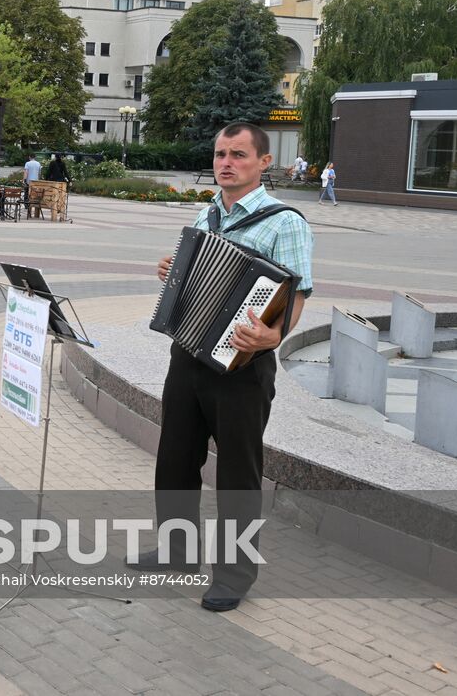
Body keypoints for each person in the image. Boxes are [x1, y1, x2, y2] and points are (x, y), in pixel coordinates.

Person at [133, 122, 313, 613]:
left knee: (238, 473)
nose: (225, 162)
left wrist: (274, 337)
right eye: (219, 154)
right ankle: (176, 551)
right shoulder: (207, 213)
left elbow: (297, 296)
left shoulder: (285, 223)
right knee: (174, 460)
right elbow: (196, 279)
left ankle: (235, 575)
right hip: (188, 355)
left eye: (237, 154)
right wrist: (173, 271)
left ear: (262, 163)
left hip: (243, 367)